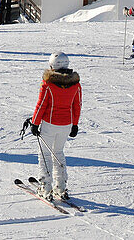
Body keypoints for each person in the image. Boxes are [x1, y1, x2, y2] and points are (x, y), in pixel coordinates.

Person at [24, 52, 82, 200]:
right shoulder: (75, 84)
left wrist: (35, 123)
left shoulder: (48, 84)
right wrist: (74, 124)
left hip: (50, 124)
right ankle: (61, 186)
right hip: (66, 124)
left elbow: (41, 105)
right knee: (58, 153)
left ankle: (46, 186)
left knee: (45, 155)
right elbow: (77, 106)